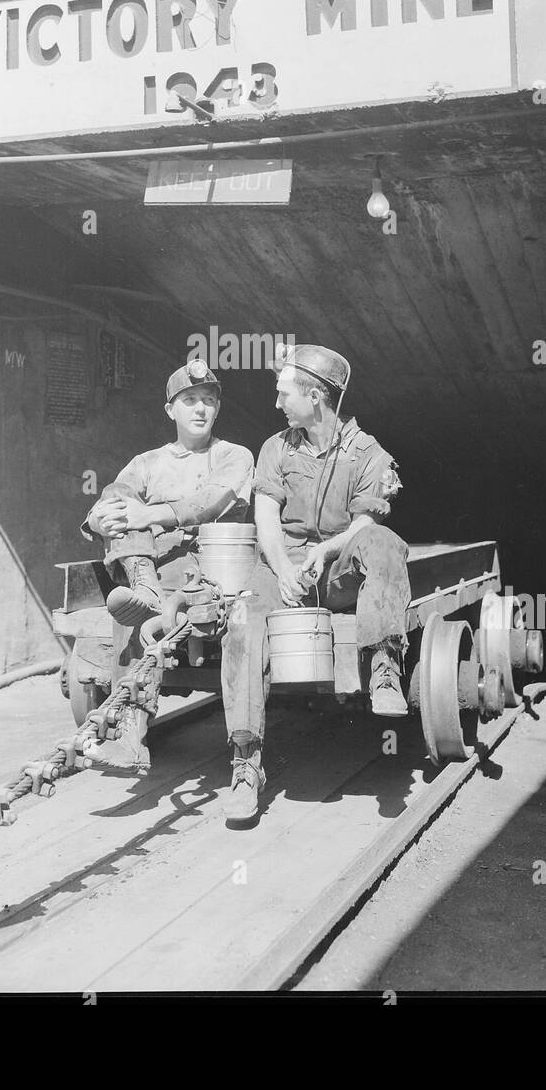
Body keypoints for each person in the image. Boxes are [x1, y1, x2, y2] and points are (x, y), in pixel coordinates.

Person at [218, 344, 409, 824]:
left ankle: (384, 667)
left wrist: (325, 552)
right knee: (241, 622)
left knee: (385, 542)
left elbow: (365, 524)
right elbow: (265, 518)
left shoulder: (368, 454)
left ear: (316, 396)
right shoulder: (276, 448)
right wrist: (283, 567)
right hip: (282, 565)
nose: (277, 402)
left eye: (284, 393)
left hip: (337, 567)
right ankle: (246, 764)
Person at [80, 358, 254, 773]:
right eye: (189, 400)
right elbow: (114, 498)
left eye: (208, 400)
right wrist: (98, 519)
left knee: (138, 602)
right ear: (170, 410)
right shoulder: (147, 462)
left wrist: (147, 515)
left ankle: (148, 595)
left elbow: (211, 502)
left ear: (217, 408)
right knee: (130, 598)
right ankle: (129, 739)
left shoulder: (234, 455)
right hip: (151, 565)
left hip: (210, 564)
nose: (200, 409)